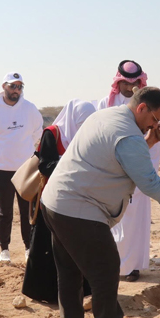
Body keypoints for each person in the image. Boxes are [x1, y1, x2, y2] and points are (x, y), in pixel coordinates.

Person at [41, 87, 160, 318]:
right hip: (79, 209)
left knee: (70, 270)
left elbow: (117, 156)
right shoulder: (128, 136)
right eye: (154, 119)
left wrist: (148, 141)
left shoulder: (107, 116)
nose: (155, 125)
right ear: (141, 108)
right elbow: (149, 183)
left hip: (55, 203)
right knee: (105, 266)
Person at [22, 99, 96, 303]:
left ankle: (82, 291)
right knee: (47, 245)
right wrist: (72, 161)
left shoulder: (90, 135)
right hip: (52, 199)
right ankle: (45, 292)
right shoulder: (52, 133)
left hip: (80, 199)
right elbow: (45, 165)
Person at [96, 61, 156, 281]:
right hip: (112, 168)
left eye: (136, 83)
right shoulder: (105, 104)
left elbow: (152, 139)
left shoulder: (146, 104)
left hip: (136, 167)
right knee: (110, 218)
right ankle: (112, 264)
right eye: (127, 83)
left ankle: (132, 266)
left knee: (134, 218)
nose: (131, 88)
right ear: (118, 82)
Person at [0, 72, 43, 263]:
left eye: (20, 86)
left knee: (27, 212)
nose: (16, 90)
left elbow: (36, 133)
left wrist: (23, 151)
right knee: (4, 212)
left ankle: (29, 248)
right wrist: (1, 153)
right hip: (2, 170)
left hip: (26, 170)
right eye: (13, 86)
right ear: (4, 86)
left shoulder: (29, 109)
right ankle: (4, 250)